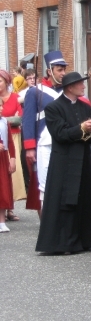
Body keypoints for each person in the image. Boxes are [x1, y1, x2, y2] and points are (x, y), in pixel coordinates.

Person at [35, 71, 91, 255]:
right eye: (80, 84)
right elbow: (60, 134)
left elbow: (89, 138)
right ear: (70, 87)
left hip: (82, 160)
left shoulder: (85, 107)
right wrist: (81, 128)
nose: (83, 86)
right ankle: (64, 244)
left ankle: (89, 240)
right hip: (63, 160)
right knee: (65, 200)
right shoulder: (53, 108)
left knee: (86, 200)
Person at [23, 51, 68, 209]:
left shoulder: (67, 91)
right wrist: (30, 148)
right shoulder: (35, 92)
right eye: (59, 70)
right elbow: (28, 120)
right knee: (45, 187)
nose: (63, 73)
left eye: (64, 70)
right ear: (50, 71)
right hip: (44, 143)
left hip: (64, 142)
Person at [0, 69, 26, 222]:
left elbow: (20, 117)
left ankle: (9, 207)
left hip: (12, 136)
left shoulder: (14, 97)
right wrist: (10, 119)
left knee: (12, 173)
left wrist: (6, 120)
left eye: (1, 80)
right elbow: (13, 118)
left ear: (6, 82)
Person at [0, 96, 17, 233]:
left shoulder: (4, 122)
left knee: (4, 189)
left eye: (1, 106)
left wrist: (13, 158)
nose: (1, 109)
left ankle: (2, 221)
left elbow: (10, 142)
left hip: (3, 157)